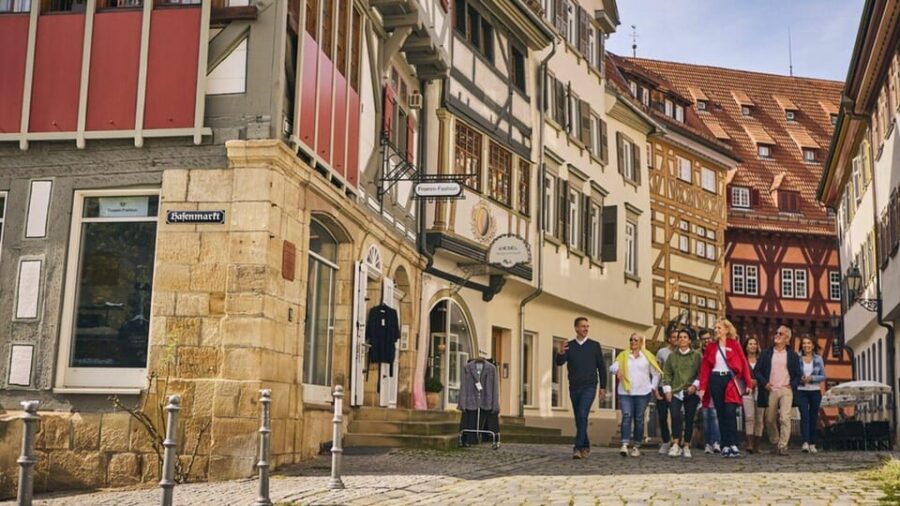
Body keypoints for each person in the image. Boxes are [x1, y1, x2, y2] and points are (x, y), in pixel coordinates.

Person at [698, 319, 752, 458]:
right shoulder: (711, 346)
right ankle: (725, 445)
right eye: (715, 328)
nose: (716, 330)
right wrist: (702, 387)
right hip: (716, 379)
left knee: (730, 412)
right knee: (720, 413)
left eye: (719, 328)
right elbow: (705, 368)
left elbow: (744, 364)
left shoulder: (734, 345)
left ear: (727, 330)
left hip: (730, 380)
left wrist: (748, 383)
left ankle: (733, 443)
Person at [555, 317, 607, 459]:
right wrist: (560, 352)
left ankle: (577, 448)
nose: (585, 329)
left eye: (587, 326)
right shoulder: (569, 345)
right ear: (576, 328)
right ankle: (586, 445)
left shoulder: (594, 345)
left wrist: (603, 387)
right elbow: (559, 363)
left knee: (583, 413)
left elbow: (602, 367)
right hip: (574, 386)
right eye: (583, 326)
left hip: (589, 386)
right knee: (579, 417)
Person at [610, 333, 662, 457]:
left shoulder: (647, 356)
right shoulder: (623, 355)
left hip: (642, 392)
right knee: (627, 416)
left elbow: (656, 373)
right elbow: (612, 367)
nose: (633, 342)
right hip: (626, 392)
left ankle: (637, 446)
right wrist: (618, 370)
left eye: (636, 340)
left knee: (639, 419)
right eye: (631, 339)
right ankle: (624, 444)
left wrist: (652, 387)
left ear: (641, 343)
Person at [754, 325, 802, 456]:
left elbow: (798, 374)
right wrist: (765, 383)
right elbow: (757, 371)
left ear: (787, 339)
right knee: (769, 419)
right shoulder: (766, 353)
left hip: (786, 390)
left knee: (785, 418)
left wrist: (792, 384)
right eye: (776, 333)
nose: (777, 335)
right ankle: (775, 442)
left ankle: (783, 446)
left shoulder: (792, 355)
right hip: (771, 390)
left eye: (780, 334)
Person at [662, 329, 701, 458]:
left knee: (689, 418)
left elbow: (701, 373)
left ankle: (686, 445)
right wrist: (667, 389)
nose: (682, 339)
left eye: (685, 337)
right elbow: (667, 373)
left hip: (690, 391)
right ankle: (675, 443)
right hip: (675, 391)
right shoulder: (672, 356)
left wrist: (695, 386)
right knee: (675, 416)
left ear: (690, 340)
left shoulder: (696, 356)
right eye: (680, 337)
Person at [797, 336, 825, 454]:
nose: (806, 345)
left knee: (813, 417)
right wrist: (801, 378)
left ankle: (813, 443)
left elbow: (823, 376)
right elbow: (793, 373)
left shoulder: (818, 359)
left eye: (809, 343)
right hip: (801, 390)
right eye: (804, 343)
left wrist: (812, 378)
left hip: (814, 391)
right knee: (804, 415)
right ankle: (805, 442)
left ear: (813, 345)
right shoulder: (797, 358)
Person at [697, 328, 721, 454]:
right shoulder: (698, 354)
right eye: (703, 339)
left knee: (714, 415)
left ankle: (716, 442)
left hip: (716, 385)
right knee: (705, 416)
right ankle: (707, 443)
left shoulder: (718, 351)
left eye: (708, 338)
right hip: (703, 387)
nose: (706, 341)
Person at [654, 329, 678, 455]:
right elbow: (657, 371)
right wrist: (656, 389)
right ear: (669, 339)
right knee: (662, 416)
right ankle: (666, 441)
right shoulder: (662, 352)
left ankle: (676, 441)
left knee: (675, 416)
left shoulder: (682, 352)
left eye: (677, 337)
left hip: (677, 388)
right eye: (673, 337)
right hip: (663, 387)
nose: (676, 339)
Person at [742, 336, 765, 453]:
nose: (752, 346)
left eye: (754, 344)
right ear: (746, 347)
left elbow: (766, 373)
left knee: (759, 418)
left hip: (760, 390)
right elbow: (738, 374)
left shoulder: (761, 360)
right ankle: (749, 443)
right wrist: (749, 381)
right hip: (747, 390)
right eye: (750, 344)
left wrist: (758, 381)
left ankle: (757, 445)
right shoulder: (743, 360)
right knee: (749, 416)